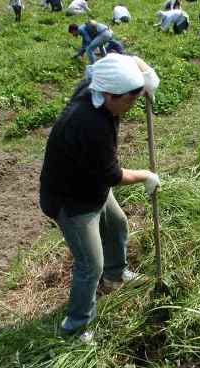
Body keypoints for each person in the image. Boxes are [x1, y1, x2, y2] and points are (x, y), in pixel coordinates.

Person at [39, 53, 160, 343]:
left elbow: (123, 57)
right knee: (90, 264)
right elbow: (113, 176)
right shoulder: (89, 125)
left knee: (117, 224)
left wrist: (147, 76)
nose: (133, 105)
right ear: (110, 95)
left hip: (89, 185)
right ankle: (76, 326)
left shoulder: (97, 82)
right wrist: (146, 175)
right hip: (72, 200)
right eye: (130, 99)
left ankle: (116, 276)